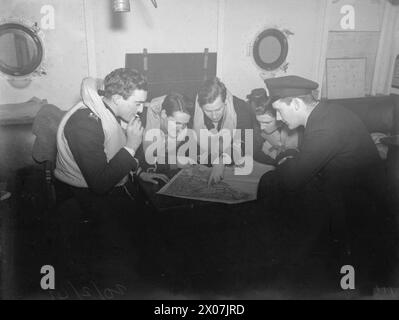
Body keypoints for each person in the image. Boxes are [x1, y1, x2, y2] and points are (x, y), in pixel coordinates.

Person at [257, 75, 396, 291]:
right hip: (344, 188)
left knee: (276, 185)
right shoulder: (325, 113)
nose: (278, 118)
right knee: (275, 185)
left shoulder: (324, 128)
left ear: (296, 103)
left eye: (279, 110)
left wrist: (283, 155)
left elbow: (293, 179)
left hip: (358, 207)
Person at [53, 68, 165, 285]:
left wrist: (139, 173)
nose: (140, 110)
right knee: (134, 247)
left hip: (104, 186)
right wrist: (132, 146)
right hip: (81, 194)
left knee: (151, 225)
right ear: (116, 98)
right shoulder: (84, 123)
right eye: (137, 103)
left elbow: (111, 149)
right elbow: (100, 183)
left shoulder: (106, 110)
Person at [194, 77, 254, 185]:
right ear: (200, 106)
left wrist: (221, 161)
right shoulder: (197, 109)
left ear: (225, 101)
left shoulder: (242, 109)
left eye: (218, 109)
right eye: (208, 111)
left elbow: (245, 144)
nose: (214, 115)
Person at [140, 92, 195, 176]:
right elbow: (143, 160)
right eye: (176, 123)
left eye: (184, 124)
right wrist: (174, 164)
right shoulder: (142, 123)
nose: (180, 128)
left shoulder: (183, 129)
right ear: (163, 114)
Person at [248, 88, 300, 166]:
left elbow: (291, 154)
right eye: (259, 122)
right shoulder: (256, 123)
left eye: (267, 122)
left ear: (279, 118)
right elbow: (253, 151)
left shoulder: (292, 132)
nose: (262, 127)